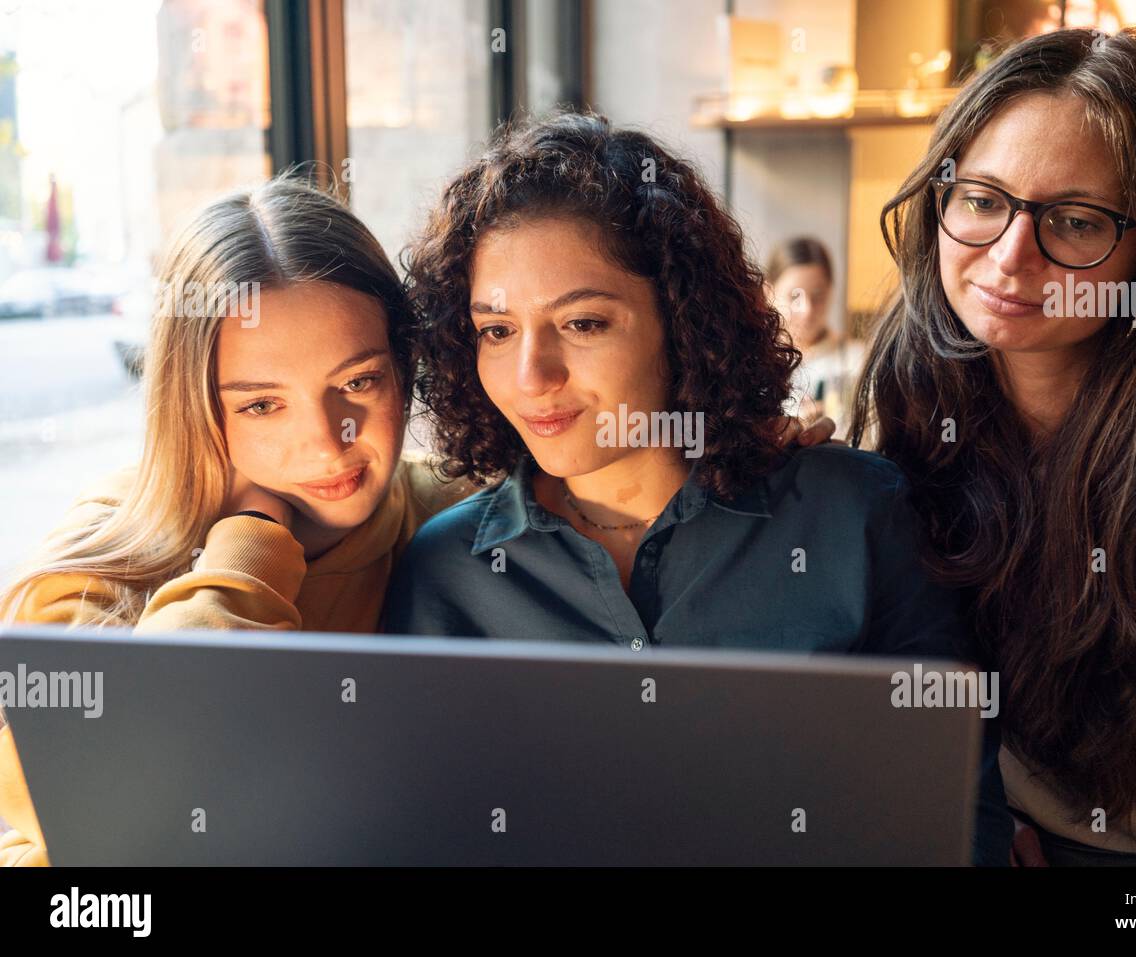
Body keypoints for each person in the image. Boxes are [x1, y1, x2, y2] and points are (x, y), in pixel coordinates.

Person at [0, 174, 834, 867]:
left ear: (410, 372)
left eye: (358, 383)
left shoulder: (449, 520)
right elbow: (110, 859)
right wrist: (249, 551)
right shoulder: (92, 578)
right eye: (261, 404)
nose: (329, 441)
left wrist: (728, 435)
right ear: (192, 407)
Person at [384, 112, 1013, 865]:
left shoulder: (855, 515)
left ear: (682, 322)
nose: (532, 377)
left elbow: (955, 814)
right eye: (496, 330)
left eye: (583, 323)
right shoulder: (447, 570)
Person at [851, 26, 1136, 865]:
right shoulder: (919, 361)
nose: (1009, 259)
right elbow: (903, 650)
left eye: (1075, 220)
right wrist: (980, 805)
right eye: (981, 199)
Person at [766, 236, 865, 437]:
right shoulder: (753, 363)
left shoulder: (858, 360)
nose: (808, 309)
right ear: (768, 292)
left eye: (818, 296)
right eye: (795, 296)